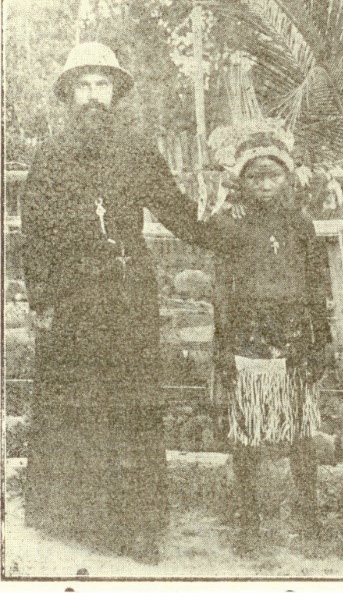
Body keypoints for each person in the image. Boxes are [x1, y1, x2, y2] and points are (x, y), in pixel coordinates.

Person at [22, 42, 202, 564]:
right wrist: (43, 300)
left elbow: (174, 208)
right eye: (84, 84)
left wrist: (226, 228)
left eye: (103, 84)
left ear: (117, 92)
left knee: (132, 404)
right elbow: (35, 232)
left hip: (127, 295)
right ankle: (70, 519)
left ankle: (135, 525)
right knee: (75, 403)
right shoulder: (52, 153)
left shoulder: (138, 147)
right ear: (69, 94)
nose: (94, 95)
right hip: (75, 298)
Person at [196, 124, 332, 553]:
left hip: (293, 337)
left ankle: (309, 515)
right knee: (247, 432)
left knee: (301, 432)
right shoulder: (230, 225)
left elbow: (315, 285)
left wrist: (320, 339)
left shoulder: (300, 225)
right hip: (247, 337)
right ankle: (249, 518)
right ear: (241, 181)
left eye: (274, 175)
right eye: (255, 177)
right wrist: (222, 346)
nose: (266, 184)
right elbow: (220, 286)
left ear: (288, 178)